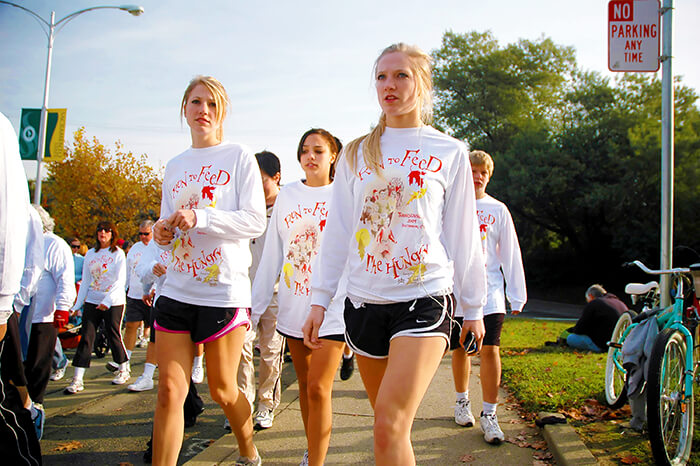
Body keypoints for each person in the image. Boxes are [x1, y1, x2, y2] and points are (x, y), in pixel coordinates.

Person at [304, 43, 487, 464]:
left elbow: (463, 235)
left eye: (401, 75)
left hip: (424, 298)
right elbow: (339, 234)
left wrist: (473, 307)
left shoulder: (449, 151)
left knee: (389, 421)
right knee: (389, 430)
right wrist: (320, 300)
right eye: (382, 77)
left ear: (422, 84)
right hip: (364, 303)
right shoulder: (354, 153)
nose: (389, 85)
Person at [152, 75, 265, 466]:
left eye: (212, 104)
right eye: (197, 102)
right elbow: (170, 223)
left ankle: (248, 449)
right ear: (184, 109)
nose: (204, 111)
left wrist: (201, 216)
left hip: (223, 291)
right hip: (177, 289)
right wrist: (161, 232)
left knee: (222, 389)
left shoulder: (237, 156)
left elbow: (254, 221)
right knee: (169, 389)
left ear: (222, 113)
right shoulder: (175, 165)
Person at [252, 130, 346, 465]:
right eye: (305, 150)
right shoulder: (287, 196)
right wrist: (255, 307)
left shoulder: (344, 194)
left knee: (320, 388)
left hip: (334, 309)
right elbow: (273, 256)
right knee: (307, 386)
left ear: (333, 155)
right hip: (294, 306)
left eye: (318, 150)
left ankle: (316, 461)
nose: (310, 156)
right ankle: (313, 446)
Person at [449, 150, 527, 444]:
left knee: (490, 350)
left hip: (490, 294)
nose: (477, 176)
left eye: (483, 172)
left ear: (489, 176)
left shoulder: (498, 210)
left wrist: (516, 295)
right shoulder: (452, 206)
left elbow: (510, 253)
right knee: (461, 349)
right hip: (457, 293)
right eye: (472, 170)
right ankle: (461, 401)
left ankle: (490, 414)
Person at [0, 110, 42, 465]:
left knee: (16, 372)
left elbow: (9, 235)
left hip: (8, 301)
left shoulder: (0, 130)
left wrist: (9, 300)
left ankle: (29, 410)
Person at [237, 150, 286, 431]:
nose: (255, 184)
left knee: (270, 352)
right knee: (240, 349)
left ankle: (266, 404)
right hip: (245, 291)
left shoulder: (286, 206)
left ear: (276, 177)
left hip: (278, 293)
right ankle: (242, 405)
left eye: (262, 178)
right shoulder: (246, 207)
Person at [23, 205, 75, 437]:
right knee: (19, 366)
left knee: (37, 365)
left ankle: (36, 407)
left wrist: (63, 308)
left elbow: (65, 277)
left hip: (43, 317)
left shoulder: (54, 244)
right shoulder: (23, 243)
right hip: (19, 314)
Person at [64, 221, 128, 393]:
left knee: (112, 333)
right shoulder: (91, 254)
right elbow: (85, 281)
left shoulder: (118, 254)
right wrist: (77, 305)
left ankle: (123, 368)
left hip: (113, 301)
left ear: (112, 234)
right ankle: (77, 378)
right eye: (100, 230)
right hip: (93, 299)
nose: (103, 233)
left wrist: (107, 301)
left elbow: (120, 281)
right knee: (86, 336)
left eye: (107, 231)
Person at [114, 220, 154, 383]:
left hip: (152, 295)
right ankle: (125, 363)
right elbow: (128, 271)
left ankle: (150, 369)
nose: (143, 237)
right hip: (134, 294)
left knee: (154, 333)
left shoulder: (157, 246)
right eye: (141, 234)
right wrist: (124, 289)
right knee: (131, 326)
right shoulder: (135, 249)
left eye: (147, 234)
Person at [565, 284, 627, 352]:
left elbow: (579, 329)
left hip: (603, 345)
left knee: (571, 338)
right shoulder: (620, 303)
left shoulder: (594, 304)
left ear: (590, 296)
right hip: (620, 344)